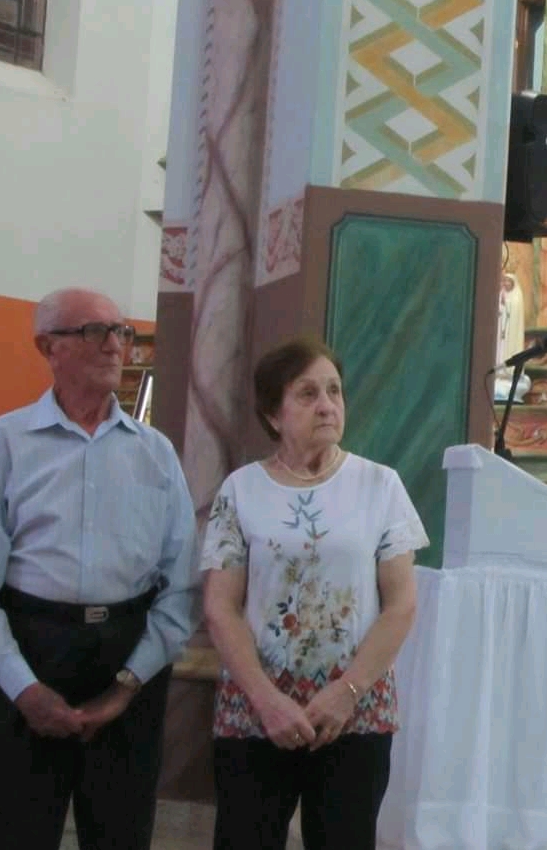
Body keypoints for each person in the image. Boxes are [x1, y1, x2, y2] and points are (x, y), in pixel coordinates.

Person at [0, 287, 200, 850]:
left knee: (121, 835)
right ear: (48, 347)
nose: (115, 345)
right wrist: (24, 689)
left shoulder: (155, 453)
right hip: (28, 653)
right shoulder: (5, 442)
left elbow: (181, 585)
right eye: (93, 331)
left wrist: (127, 686)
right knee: (13, 835)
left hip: (127, 661)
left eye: (122, 331)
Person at [202, 336, 427, 850]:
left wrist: (346, 693)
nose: (327, 405)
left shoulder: (381, 486)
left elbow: (400, 605)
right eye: (307, 394)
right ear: (273, 414)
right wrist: (267, 701)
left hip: (354, 713)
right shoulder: (241, 490)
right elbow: (220, 606)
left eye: (334, 391)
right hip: (256, 712)